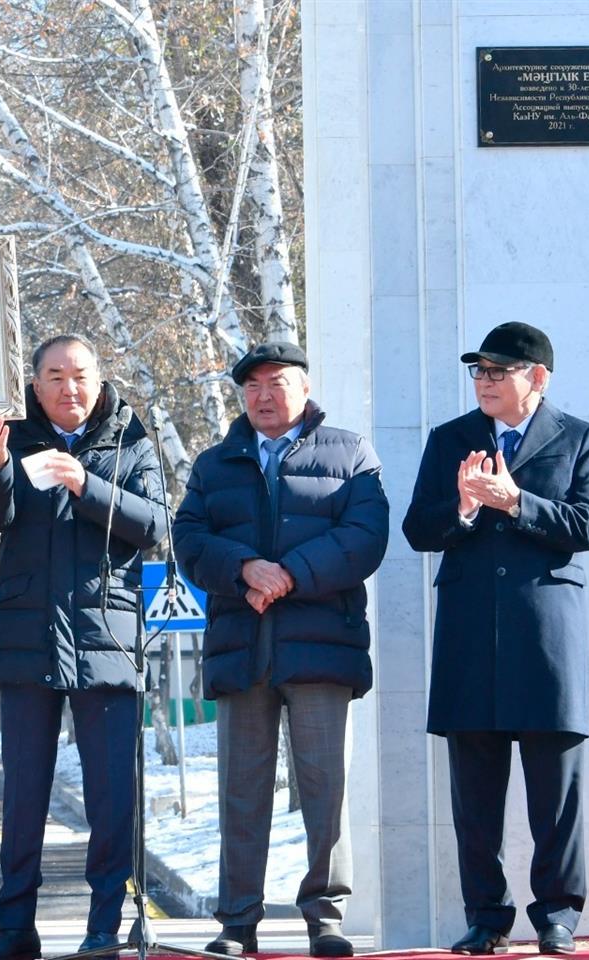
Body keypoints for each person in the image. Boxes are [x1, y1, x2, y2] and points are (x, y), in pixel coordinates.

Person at [173, 342, 389, 958]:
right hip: (242, 648)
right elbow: (188, 538)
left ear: (304, 387)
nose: (264, 396)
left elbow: (364, 537)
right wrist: (245, 568)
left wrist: (287, 573)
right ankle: (238, 921)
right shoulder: (215, 464)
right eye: (253, 386)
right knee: (242, 790)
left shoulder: (350, 454)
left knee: (326, 786)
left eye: (277, 383)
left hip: (321, 648)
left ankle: (325, 917)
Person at [402, 322, 589, 956]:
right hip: (468, 639)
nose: (484, 383)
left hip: (546, 638)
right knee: (475, 796)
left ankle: (558, 916)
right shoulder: (450, 440)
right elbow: (417, 529)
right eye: (478, 373)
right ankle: (486, 916)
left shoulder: (580, 438)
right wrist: (463, 507)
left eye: (498, 372)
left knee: (557, 794)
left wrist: (517, 502)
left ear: (536, 378)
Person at [0, 335, 167, 960]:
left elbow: (157, 526)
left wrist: (85, 484)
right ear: (35, 381)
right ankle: (14, 927)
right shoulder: (13, 432)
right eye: (54, 376)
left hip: (107, 638)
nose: (68, 388)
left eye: (79, 374)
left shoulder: (132, 439)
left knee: (111, 795)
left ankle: (104, 924)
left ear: (98, 379)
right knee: (24, 791)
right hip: (26, 637)